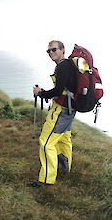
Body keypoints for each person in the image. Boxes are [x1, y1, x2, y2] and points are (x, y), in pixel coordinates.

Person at [29, 40, 77, 187]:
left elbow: (57, 91)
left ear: (62, 50)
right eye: (48, 51)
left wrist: (41, 93)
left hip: (61, 110)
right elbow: (63, 89)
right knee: (63, 139)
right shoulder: (69, 65)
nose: (51, 53)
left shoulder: (62, 66)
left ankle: (46, 180)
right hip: (70, 109)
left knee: (46, 142)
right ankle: (64, 169)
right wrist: (46, 93)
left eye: (54, 49)